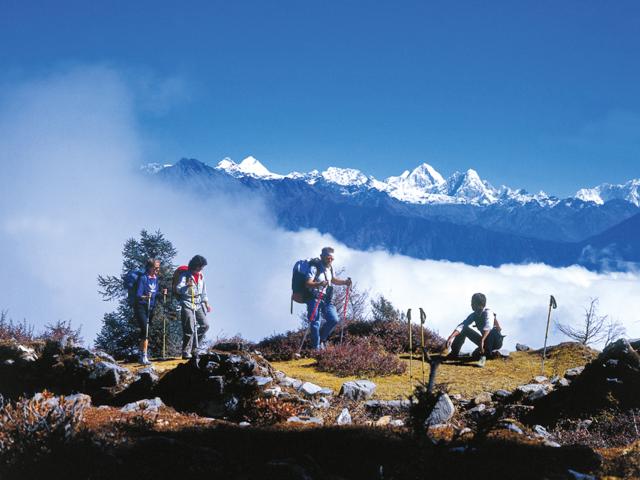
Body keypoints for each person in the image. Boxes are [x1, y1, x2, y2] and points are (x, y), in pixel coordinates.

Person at [304, 247, 352, 350]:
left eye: (332, 258)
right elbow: (308, 283)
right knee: (315, 323)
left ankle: (322, 339)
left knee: (334, 319)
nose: (330, 260)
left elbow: (333, 280)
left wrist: (344, 282)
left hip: (327, 299)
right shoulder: (314, 268)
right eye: (327, 257)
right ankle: (316, 348)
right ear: (322, 257)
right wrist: (319, 283)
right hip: (314, 298)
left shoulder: (330, 268)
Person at [442, 293, 503, 367]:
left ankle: (484, 357)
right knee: (464, 329)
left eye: (472, 303)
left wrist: (482, 340)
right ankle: (454, 353)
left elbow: (488, 326)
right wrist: (451, 337)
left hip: (495, 341)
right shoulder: (474, 315)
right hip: (484, 341)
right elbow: (462, 325)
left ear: (478, 304)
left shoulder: (488, 313)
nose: (471, 305)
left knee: (491, 332)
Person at [174, 255, 211, 359]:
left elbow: (204, 292)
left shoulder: (201, 276)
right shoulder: (185, 275)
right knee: (189, 329)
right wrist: (186, 286)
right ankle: (186, 352)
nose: (201, 269)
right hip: (187, 303)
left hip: (198, 304)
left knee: (205, 325)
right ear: (195, 265)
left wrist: (206, 303)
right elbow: (177, 289)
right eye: (200, 266)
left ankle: (195, 348)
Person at [134, 258, 166, 365]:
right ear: (150, 267)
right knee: (145, 330)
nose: (158, 269)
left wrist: (162, 292)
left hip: (150, 307)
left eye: (158, 267)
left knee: (146, 331)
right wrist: (145, 297)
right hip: (141, 307)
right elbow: (138, 295)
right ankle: (143, 356)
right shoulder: (143, 278)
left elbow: (155, 293)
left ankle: (142, 355)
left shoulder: (155, 278)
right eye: (156, 268)